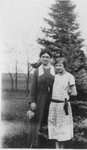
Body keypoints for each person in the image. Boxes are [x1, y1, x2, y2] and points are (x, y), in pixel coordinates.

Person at [27, 49, 55, 148]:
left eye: (47, 57)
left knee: (50, 119)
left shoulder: (54, 69)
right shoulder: (37, 71)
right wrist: (32, 101)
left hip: (52, 98)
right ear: (40, 58)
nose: (45, 58)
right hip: (40, 98)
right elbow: (33, 87)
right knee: (37, 119)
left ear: (50, 59)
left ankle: (49, 142)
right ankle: (35, 142)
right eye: (43, 56)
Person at [48, 57, 77, 149]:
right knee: (55, 126)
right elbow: (51, 90)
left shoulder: (69, 76)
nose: (58, 67)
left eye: (60, 65)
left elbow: (74, 92)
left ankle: (62, 148)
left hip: (63, 105)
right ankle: (57, 147)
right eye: (56, 65)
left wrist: (69, 91)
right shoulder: (54, 77)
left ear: (64, 65)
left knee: (62, 127)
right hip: (53, 105)